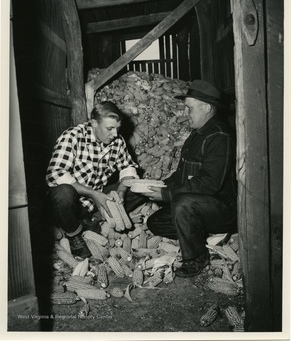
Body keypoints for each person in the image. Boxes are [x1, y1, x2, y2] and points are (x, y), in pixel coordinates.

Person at [142, 80, 237, 278]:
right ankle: (206, 235)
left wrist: (167, 194)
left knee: (183, 204)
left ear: (207, 108)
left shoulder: (219, 137)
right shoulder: (198, 134)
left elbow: (209, 183)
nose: (186, 113)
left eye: (190, 108)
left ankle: (197, 257)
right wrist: (160, 186)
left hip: (222, 208)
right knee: (155, 222)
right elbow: (182, 174)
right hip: (202, 205)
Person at [46, 101, 143, 258]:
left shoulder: (117, 142)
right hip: (74, 202)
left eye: (117, 129)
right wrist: (94, 194)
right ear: (93, 123)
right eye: (109, 128)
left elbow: (128, 168)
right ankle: (74, 234)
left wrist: (121, 191)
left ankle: (94, 220)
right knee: (62, 193)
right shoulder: (72, 137)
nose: (115, 134)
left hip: (96, 201)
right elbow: (55, 174)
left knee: (138, 186)